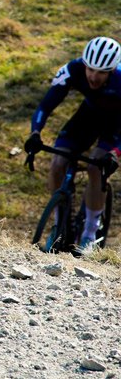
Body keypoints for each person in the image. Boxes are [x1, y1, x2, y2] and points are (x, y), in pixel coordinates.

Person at [26, 36, 121, 253]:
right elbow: (45, 106)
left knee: (95, 167)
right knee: (57, 162)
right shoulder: (73, 69)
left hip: (116, 124)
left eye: (101, 72)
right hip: (88, 117)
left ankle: (90, 233)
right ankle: (59, 224)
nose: (93, 76)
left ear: (111, 71)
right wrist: (35, 133)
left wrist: (115, 152)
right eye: (90, 69)